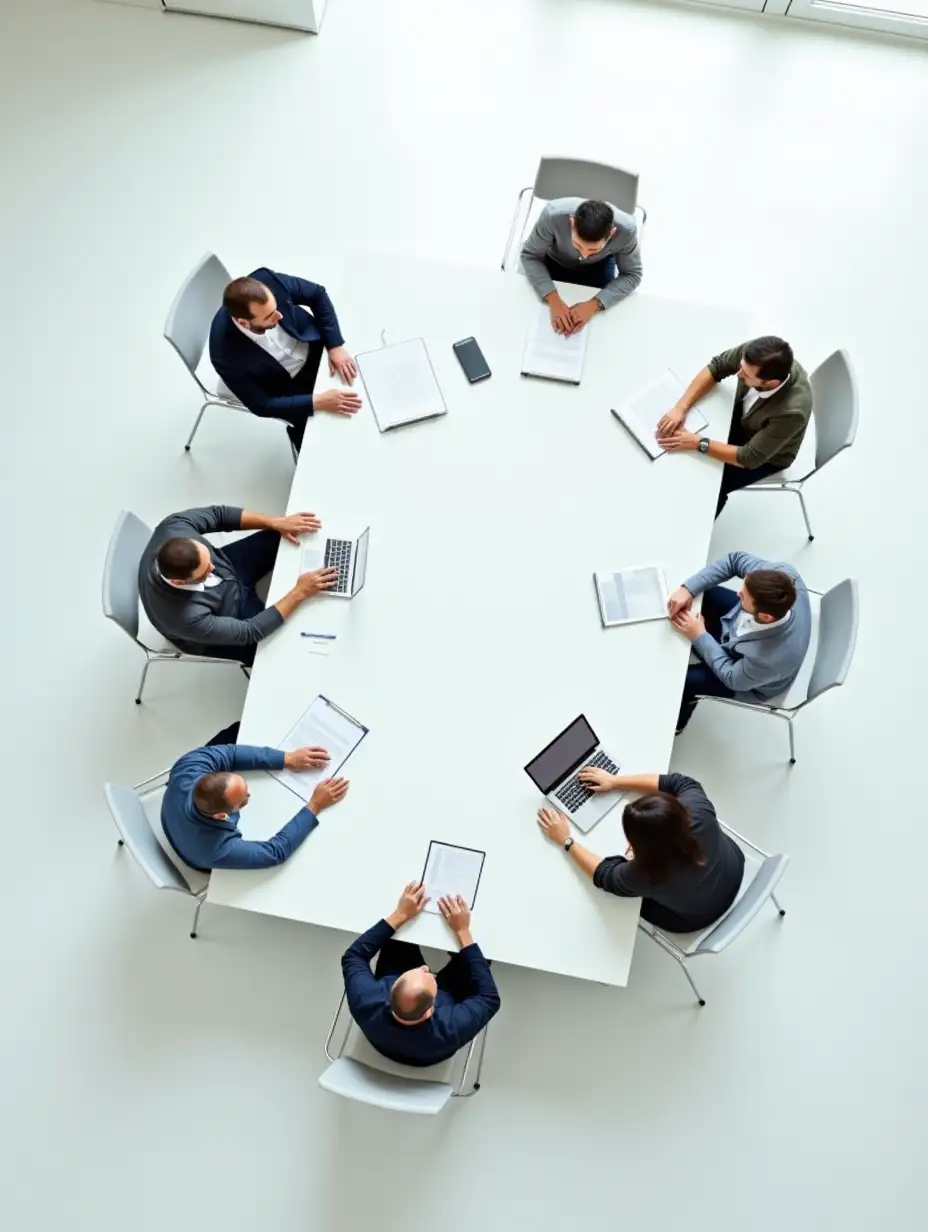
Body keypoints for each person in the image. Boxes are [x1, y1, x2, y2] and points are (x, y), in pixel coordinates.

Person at [536, 771, 744, 933]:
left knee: (632, 902)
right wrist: (615, 781)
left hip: (698, 917)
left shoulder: (644, 875)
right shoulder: (698, 810)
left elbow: (604, 875)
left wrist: (566, 840)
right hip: (733, 868)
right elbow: (679, 783)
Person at [138, 503, 338, 666]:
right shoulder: (182, 617)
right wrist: (300, 592)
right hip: (225, 616)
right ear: (178, 582)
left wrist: (277, 522)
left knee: (291, 533)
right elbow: (249, 631)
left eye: (209, 559)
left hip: (233, 567)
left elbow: (220, 515)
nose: (213, 569)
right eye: (205, 572)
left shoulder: (174, 527)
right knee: (285, 649)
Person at [341, 882, 501, 1067]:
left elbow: (353, 957)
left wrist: (400, 914)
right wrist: (462, 931)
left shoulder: (367, 1001)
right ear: (430, 1011)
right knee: (478, 958)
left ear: (391, 990)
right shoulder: (451, 1027)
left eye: (417, 971)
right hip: (432, 1043)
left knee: (396, 937)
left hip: (384, 1040)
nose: (424, 968)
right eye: (429, 976)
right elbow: (489, 998)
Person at [655, 336, 813, 518]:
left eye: (746, 375)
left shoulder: (792, 412)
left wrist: (698, 442)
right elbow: (718, 366)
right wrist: (680, 408)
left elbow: (750, 457)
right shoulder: (757, 355)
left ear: (771, 383)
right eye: (740, 367)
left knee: (708, 488)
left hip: (764, 457)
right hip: (745, 419)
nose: (738, 374)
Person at [209, 268, 362, 454]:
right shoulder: (224, 354)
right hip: (289, 386)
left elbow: (317, 294)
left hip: (315, 347)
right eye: (269, 316)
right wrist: (318, 401)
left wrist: (335, 345)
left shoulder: (267, 280)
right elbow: (262, 405)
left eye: (275, 308)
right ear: (244, 323)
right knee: (332, 444)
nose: (279, 316)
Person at [667, 550, 812, 732]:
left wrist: (700, 636)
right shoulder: (781, 576)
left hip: (747, 681)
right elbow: (734, 560)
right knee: (700, 591)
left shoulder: (770, 659)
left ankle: (678, 722)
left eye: (743, 596)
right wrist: (687, 589)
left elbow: (732, 678)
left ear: (765, 616)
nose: (738, 594)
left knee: (685, 681)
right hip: (740, 636)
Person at [161, 735, 349, 872]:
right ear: (221, 816)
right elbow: (274, 852)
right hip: (194, 856)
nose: (249, 794)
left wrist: (287, 758)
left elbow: (231, 753)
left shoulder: (190, 765)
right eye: (242, 801)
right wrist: (315, 805)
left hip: (172, 818)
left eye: (244, 787)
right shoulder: (216, 849)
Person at [520, 197, 642, 336]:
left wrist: (594, 305)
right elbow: (530, 255)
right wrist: (553, 299)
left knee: (603, 328)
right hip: (553, 260)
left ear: (611, 233)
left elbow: (632, 274)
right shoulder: (552, 215)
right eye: (578, 245)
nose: (584, 255)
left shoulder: (627, 230)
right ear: (572, 224)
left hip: (598, 268)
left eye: (593, 250)